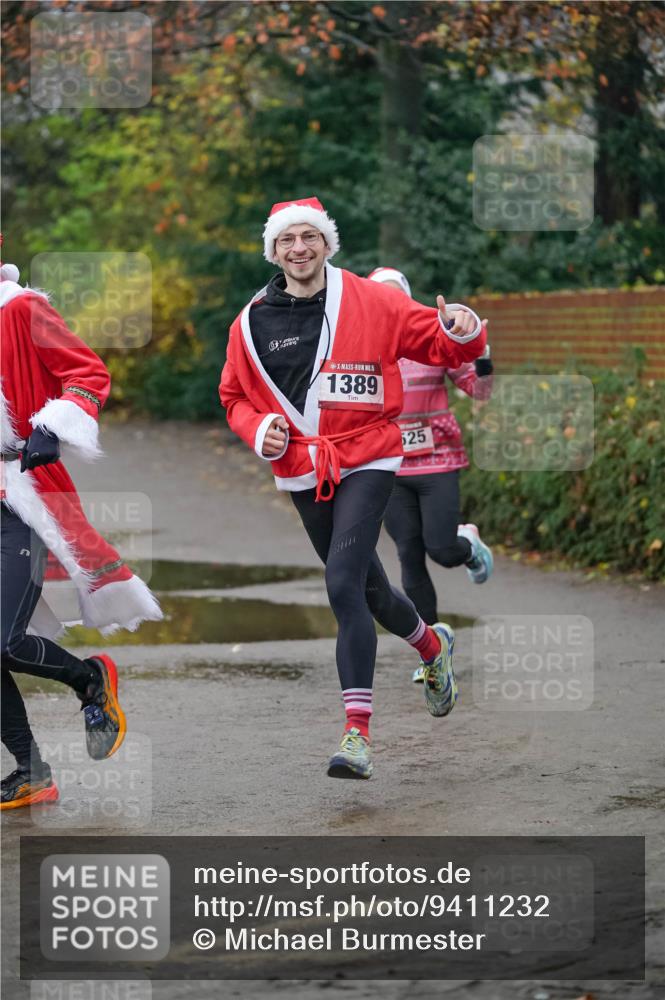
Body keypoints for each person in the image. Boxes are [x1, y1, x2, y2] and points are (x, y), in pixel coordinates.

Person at [219, 197, 487, 780]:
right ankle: (432, 647)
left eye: (309, 237)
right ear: (273, 250)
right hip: (302, 467)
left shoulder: (371, 300)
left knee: (342, 582)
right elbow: (234, 396)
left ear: (326, 244)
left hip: (369, 453)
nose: (299, 249)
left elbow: (442, 343)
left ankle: (357, 737)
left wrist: (461, 326)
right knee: (369, 590)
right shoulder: (250, 320)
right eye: (287, 240)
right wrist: (259, 427)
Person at [0, 243, 162, 810]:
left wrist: (54, 423)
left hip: (19, 495)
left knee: (5, 640)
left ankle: (90, 679)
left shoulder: (19, 309)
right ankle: (30, 772)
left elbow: (87, 371)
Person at [368, 267, 494, 681]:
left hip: (438, 462)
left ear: (407, 299)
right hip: (389, 467)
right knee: (409, 555)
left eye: (396, 296)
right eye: (380, 297)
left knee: (440, 548)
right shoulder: (364, 347)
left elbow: (478, 390)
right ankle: (433, 653)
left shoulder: (433, 338)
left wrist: (483, 355)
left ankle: (468, 544)